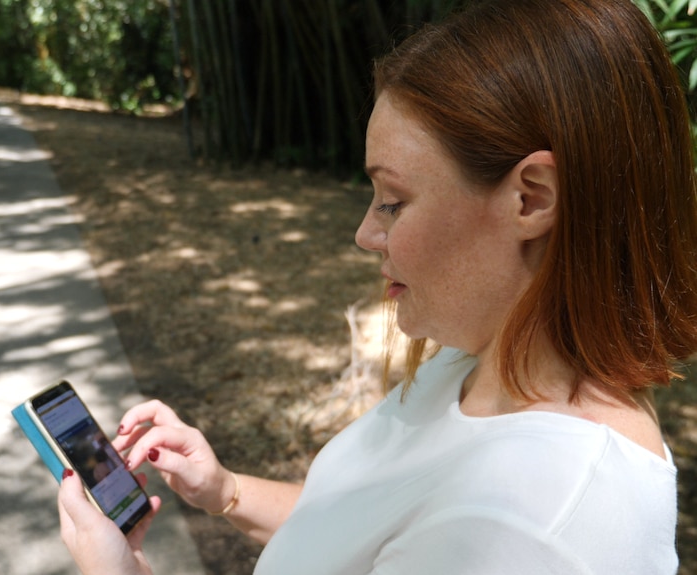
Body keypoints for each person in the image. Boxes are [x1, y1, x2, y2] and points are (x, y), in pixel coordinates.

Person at [57, 0, 697, 573]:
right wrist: (225, 490)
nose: (365, 233)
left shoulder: (527, 530)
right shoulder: (478, 362)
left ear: (532, 198)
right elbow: (360, 534)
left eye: (393, 200)